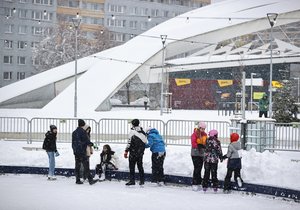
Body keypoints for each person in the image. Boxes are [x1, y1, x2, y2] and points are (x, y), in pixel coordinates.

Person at [72, 119, 97, 185]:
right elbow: (87, 142)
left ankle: (77, 180)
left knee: (77, 166)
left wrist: (74, 150)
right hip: (82, 152)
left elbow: (73, 143)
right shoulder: (83, 132)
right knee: (86, 166)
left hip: (76, 152)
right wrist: (92, 144)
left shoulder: (74, 132)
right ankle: (90, 180)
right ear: (83, 125)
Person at [124, 119, 147, 186]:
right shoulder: (143, 132)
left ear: (133, 124)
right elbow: (145, 141)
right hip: (140, 152)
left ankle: (132, 180)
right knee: (140, 166)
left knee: (132, 167)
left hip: (133, 152)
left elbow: (129, 142)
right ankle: (142, 181)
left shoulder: (132, 131)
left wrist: (126, 151)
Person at [191, 121, 207, 190]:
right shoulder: (194, 134)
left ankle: (199, 182)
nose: (203, 130)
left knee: (200, 168)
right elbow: (193, 143)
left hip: (201, 154)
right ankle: (195, 183)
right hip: (195, 153)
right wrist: (198, 145)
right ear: (199, 128)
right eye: (202, 129)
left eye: (204, 129)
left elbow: (206, 142)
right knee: (196, 168)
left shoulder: (205, 135)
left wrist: (205, 146)